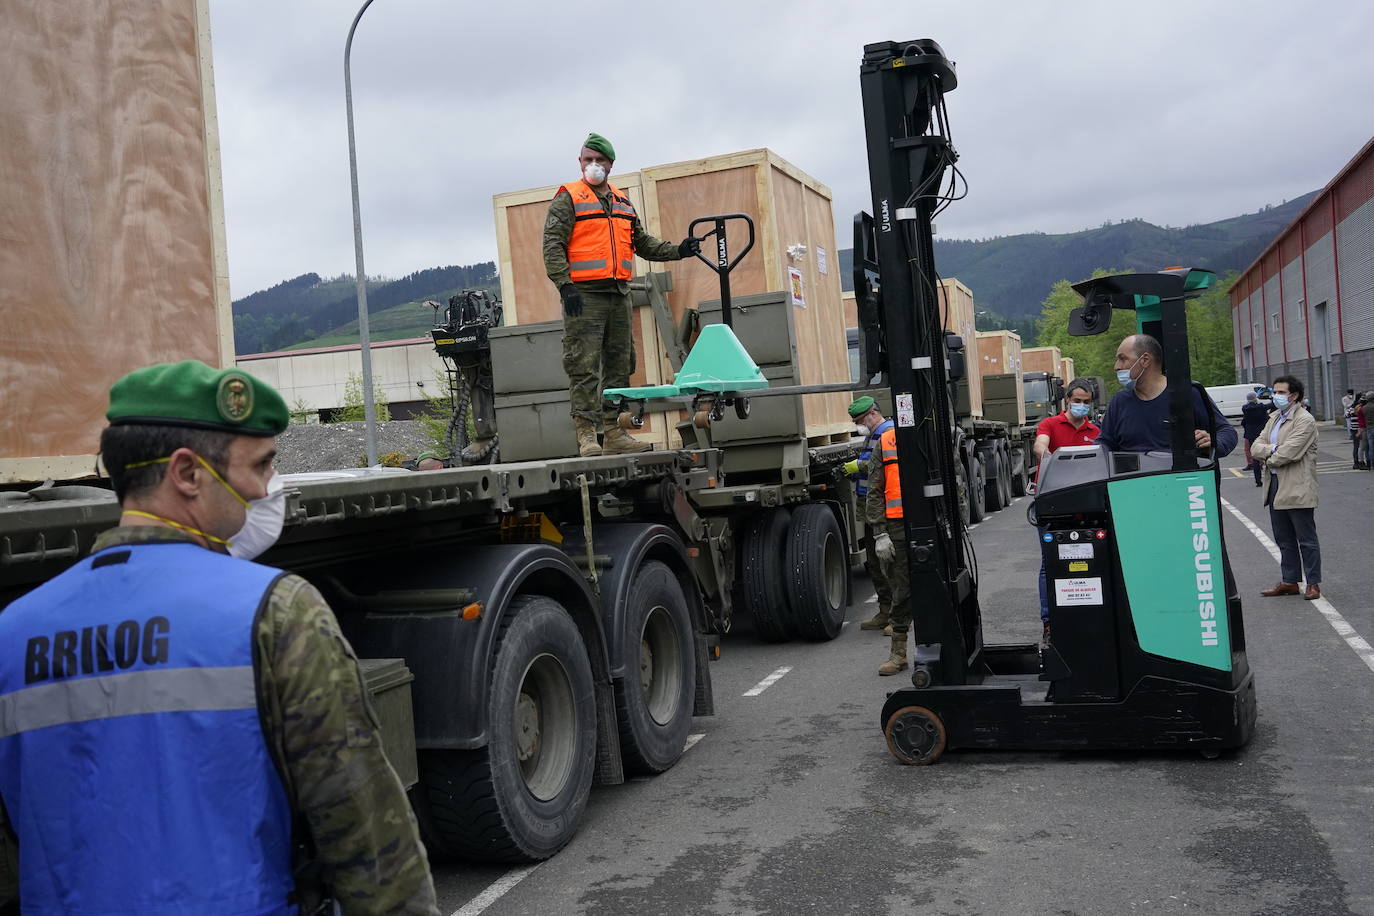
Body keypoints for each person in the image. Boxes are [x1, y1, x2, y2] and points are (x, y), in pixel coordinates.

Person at [0, 361, 438, 914]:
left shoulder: (13, 631)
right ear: (186, 473)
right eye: (260, 465)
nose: (264, 487)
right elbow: (364, 832)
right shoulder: (276, 611)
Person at [544, 132, 701, 457]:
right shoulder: (568, 197)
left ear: (610, 165)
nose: (593, 165)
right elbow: (552, 244)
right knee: (583, 364)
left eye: (599, 160)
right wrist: (565, 285)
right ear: (580, 162)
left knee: (620, 364)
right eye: (588, 160)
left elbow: (642, 243)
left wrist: (678, 251)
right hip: (584, 295)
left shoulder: (622, 202)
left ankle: (612, 430)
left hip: (618, 294)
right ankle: (587, 435)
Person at [1031, 379, 1100, 640]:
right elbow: (1040, 445)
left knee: (1092, 557)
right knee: (1050, 562)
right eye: (1077, 401)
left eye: (1086, 402)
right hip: (1052, 501)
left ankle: (1090, 615)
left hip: (1086, 505)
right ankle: (1049, 622)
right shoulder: (1050, 424)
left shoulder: (1095, 430)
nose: (1081, 406)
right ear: (1067, 400)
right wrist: (1049, 458)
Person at [1096, 334, 1237, 458]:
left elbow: (1227, 431)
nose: (1116, 366)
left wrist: (1213, 442)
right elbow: (1105, 443)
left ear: (1145, 360)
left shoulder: (1187, 393)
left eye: (1122, 359)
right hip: (1132, 485)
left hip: (1181, 483)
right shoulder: (1119, 401)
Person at [1249, 375, 1322, 601]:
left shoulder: (1305, 421)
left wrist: (1268, 455)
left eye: (1281, 392)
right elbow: (1254, 447)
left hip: (1296, 485)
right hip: (1274, 484)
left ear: (1294, 395)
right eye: (1275, 392)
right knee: (1283, 537)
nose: (1275, 396)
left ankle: (1313, 584)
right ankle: (1290, 581)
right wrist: (1273, 449)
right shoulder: (1274, 418)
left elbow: (1289, 453)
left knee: (1306, 539)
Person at [844, 397, 896, 632]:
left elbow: (880, 463)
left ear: (873, 414)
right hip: (869, 504)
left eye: (860, 420)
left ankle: (898, 617)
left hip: (882, 506)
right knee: (874, 564)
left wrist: (858, 466)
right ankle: (885, 611)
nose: (859, 425)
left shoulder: (887, 432)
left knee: (889, 563)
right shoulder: (873, 433)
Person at [867, 415, 913, 675]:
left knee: (942, 587)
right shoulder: (886, 441)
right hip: (897, 527)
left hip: (931, 524)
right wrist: (879, 533)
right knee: (902, 590)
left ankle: (949, 647)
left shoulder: (933, 435)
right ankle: (898, 654)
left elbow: (956, 480)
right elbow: (874, 490)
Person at [1241, 391, 1273, 486]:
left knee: (1255, 457)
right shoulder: (1261, 407)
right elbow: (1272, 405)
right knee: (1267, 454)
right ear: (1255, 398)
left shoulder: (1245, 409)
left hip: (1251, 434)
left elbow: (1244, 422)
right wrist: (1272, 396)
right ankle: (1270, 477)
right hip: (1262, 434)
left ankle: (1258, 480)